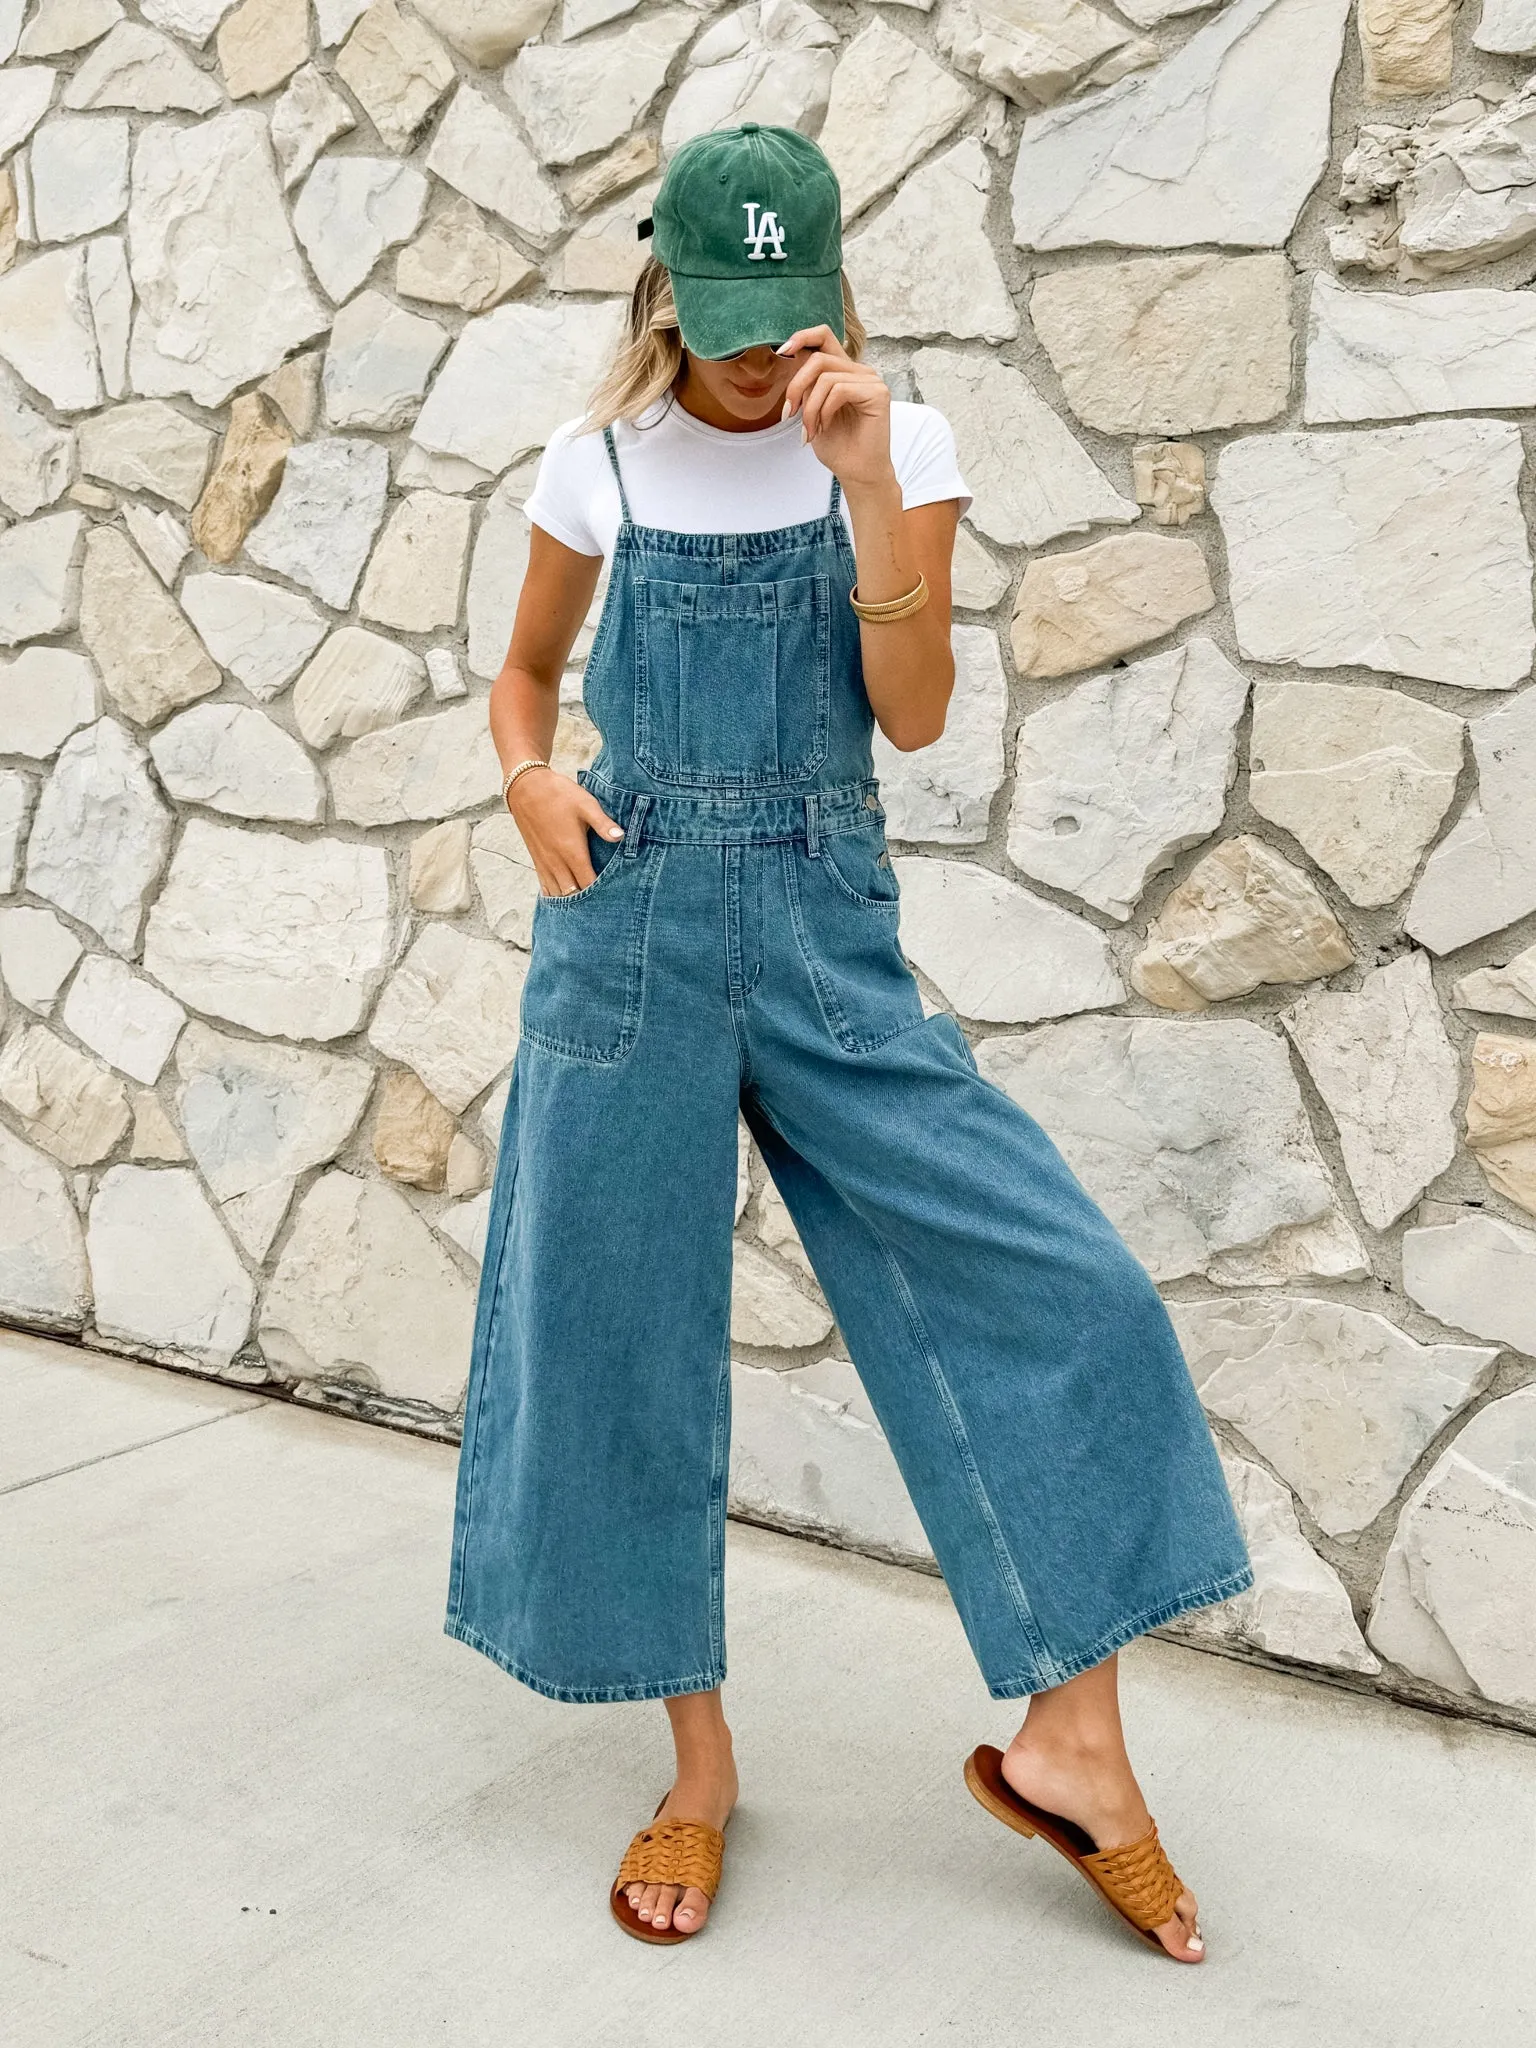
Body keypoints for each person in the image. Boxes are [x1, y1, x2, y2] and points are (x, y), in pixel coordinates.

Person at [446, 122, 1251, 1966]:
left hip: (823, 931)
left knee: (1069, 1293)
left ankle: (1074, 1746)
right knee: (619, 1341)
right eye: (719, 314)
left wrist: (872, 484)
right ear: (666, 284)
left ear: (823, 296)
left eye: (777, 313)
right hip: (626, 928)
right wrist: (526, 780)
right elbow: (521, 674)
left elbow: (910, 711)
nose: (747, 349)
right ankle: (699, 1767)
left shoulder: (902, 443)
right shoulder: (598, 466)